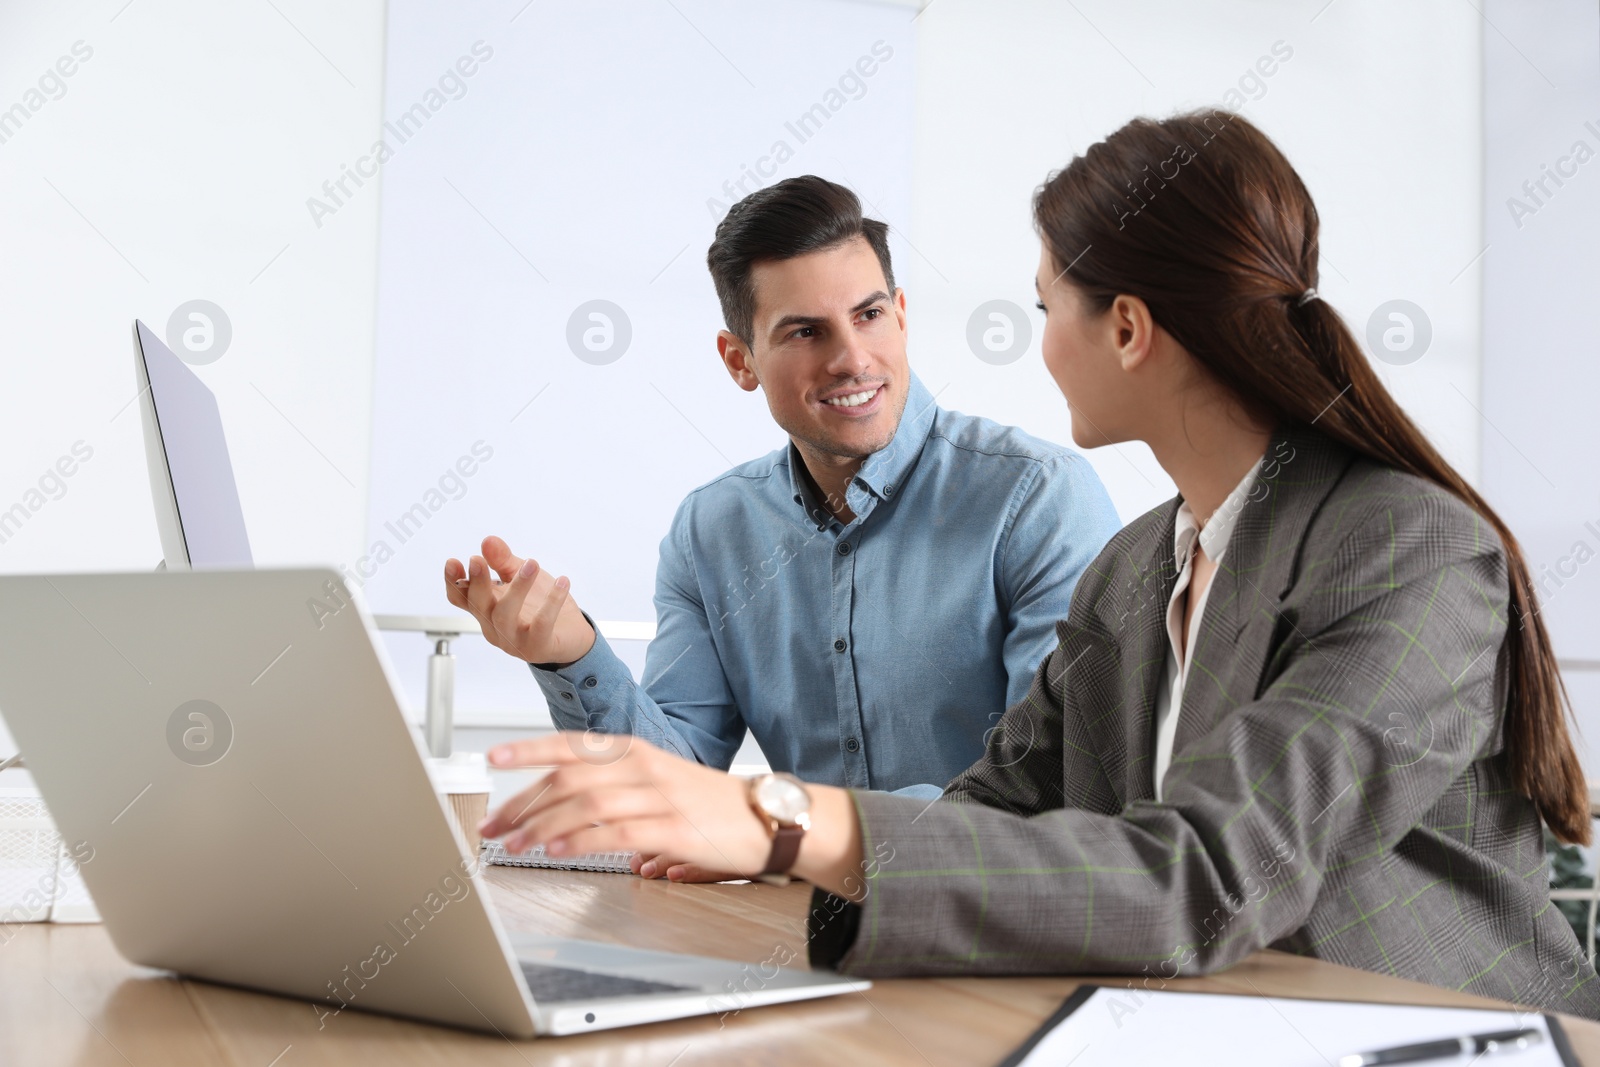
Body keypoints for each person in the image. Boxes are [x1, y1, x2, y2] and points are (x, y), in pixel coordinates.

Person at [474, 110, 1600, 1017]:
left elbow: (1203, 877)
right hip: (1199, 1020)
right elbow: (997, 811)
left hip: (1437, 1032)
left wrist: (777, 817)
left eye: (1043, 305)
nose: (1036, 339)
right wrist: (767, 846)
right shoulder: (1133, 570)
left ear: (1125, 329)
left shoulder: (1410, 549)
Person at [446, 176, 1121, 879]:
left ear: (902, 317)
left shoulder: (1037, 499)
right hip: (795, 938)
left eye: (868, 316)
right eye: (806, 331)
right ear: (740, 360)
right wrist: (571, 653)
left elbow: (1049, 795)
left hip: (989, 938)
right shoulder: (711, 531)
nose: (853, 358)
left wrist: (784, 825)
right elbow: (677, 797)